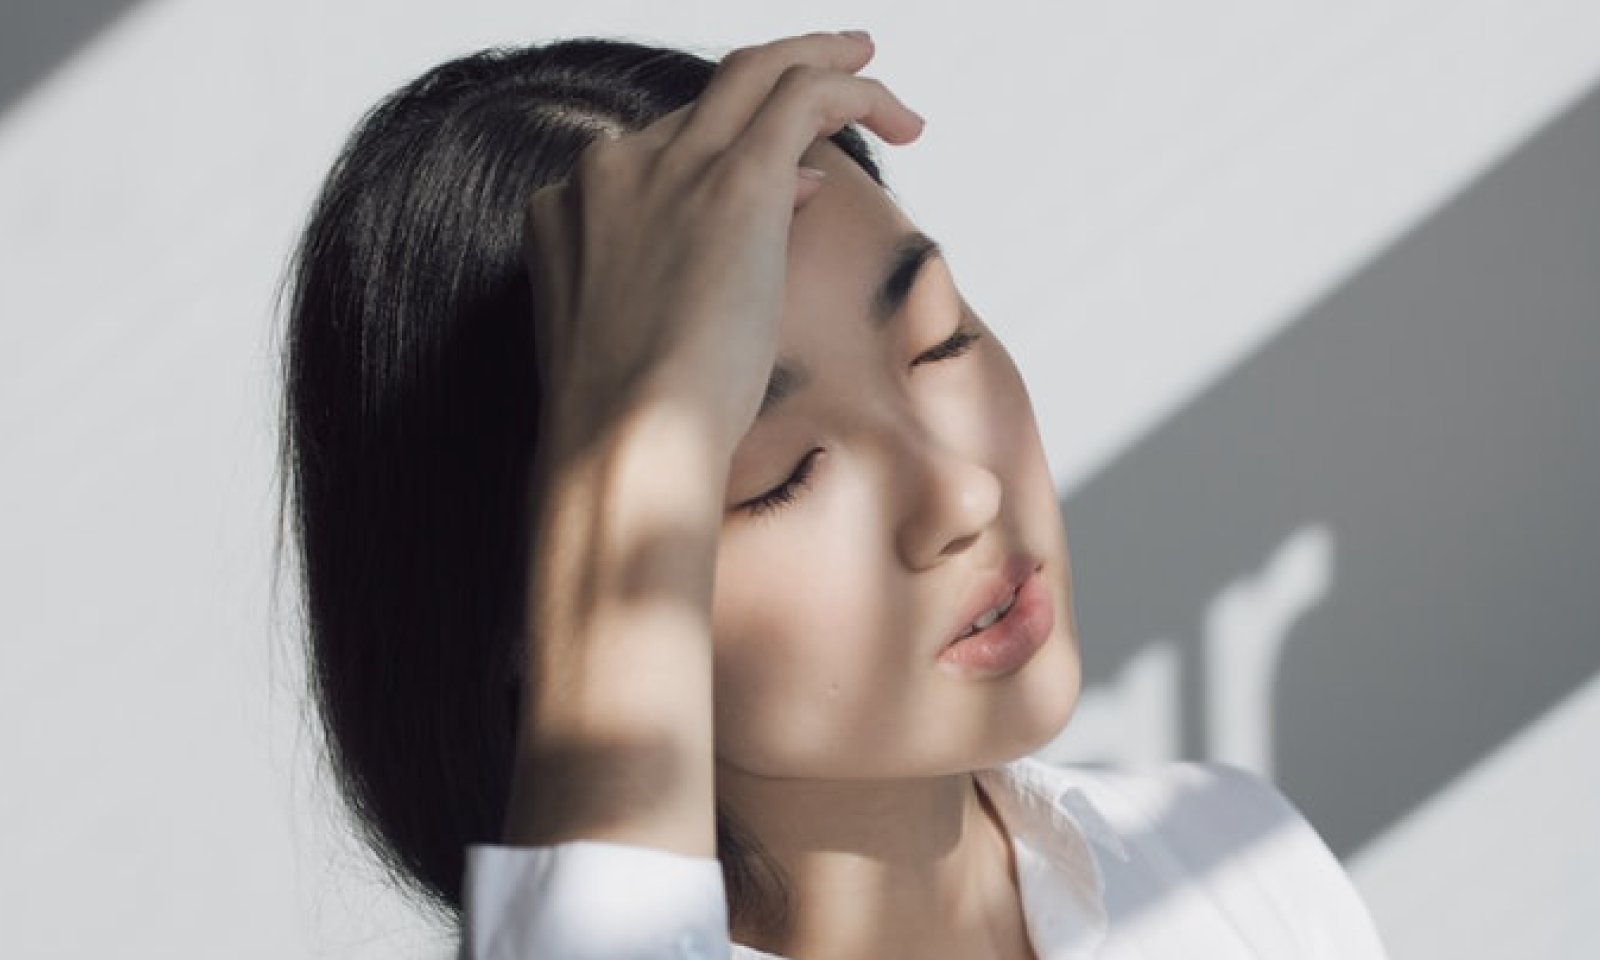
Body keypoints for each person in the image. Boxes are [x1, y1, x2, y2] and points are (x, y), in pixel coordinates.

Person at [282, 30, 1388, 959]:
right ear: (539, 596)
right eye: (778, 473)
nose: (959, 490)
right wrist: (631, 449)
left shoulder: (1235, 867)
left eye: (938, 339)